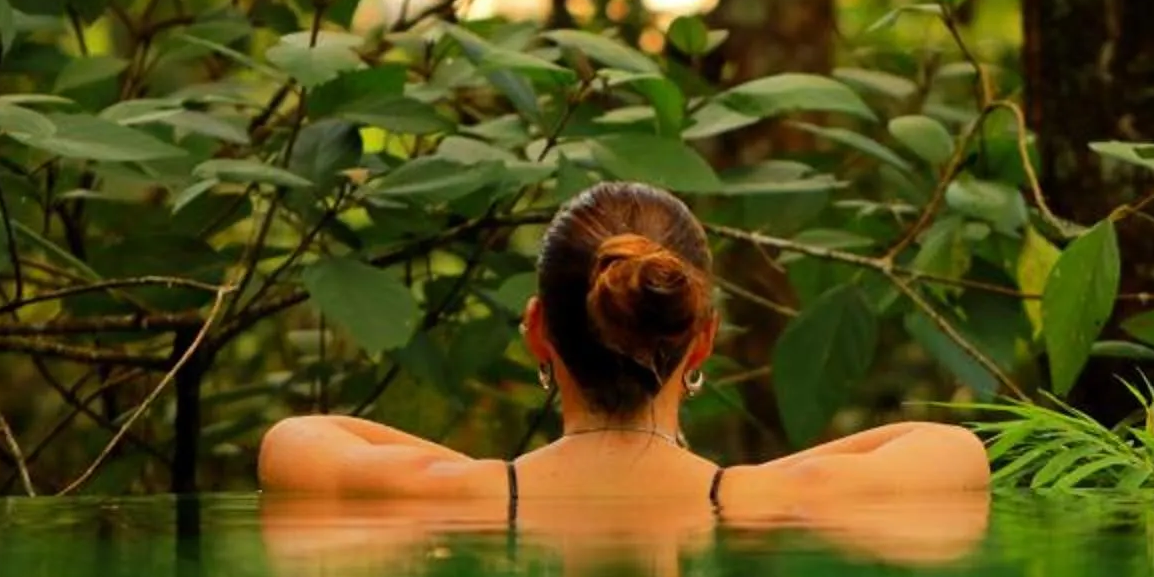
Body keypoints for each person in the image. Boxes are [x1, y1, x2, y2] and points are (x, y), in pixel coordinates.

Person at [258, 181, 990, 515]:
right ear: (701, 339)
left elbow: (296, 440)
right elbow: (956, 449)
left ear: (538, 330)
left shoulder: (459, 493)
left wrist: (510, 476)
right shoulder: (761, 500)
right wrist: (735, 479)